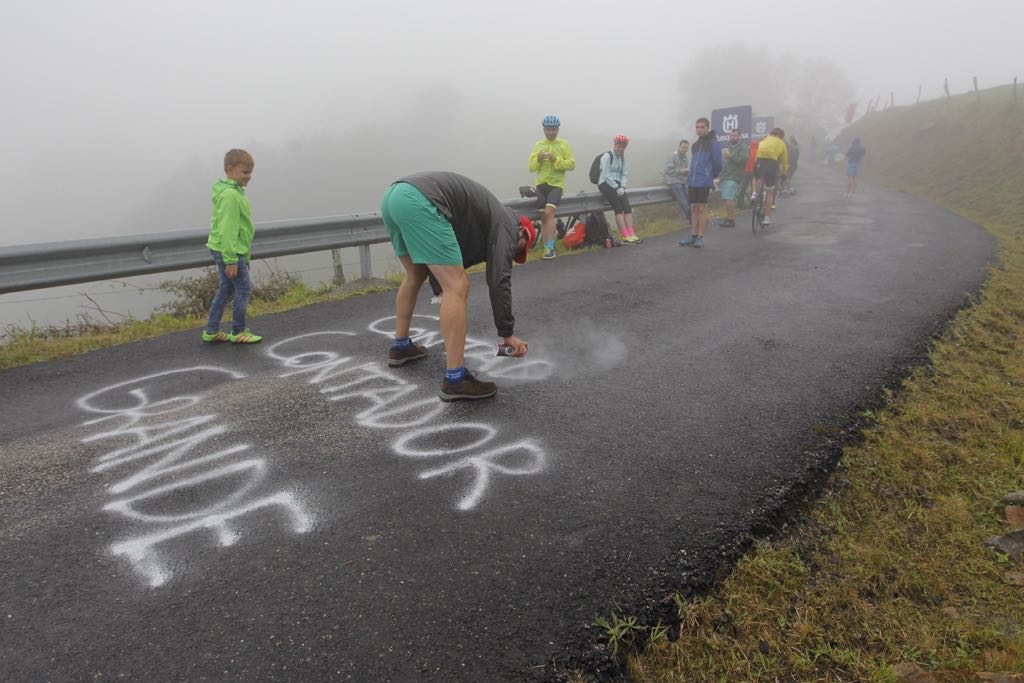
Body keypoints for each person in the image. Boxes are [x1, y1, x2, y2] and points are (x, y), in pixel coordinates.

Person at [380, 171, 537, 402]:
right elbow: (498, 280)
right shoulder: (507, 224)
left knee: (415, 273)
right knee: (457, 285)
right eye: (520, 248)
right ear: (522, 231)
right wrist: (507, 334)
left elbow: (442, 259)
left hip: (395, 196)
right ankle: (455, 380)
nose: (515, 252)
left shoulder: (486, 219)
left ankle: (401, 346)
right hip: (419, 199)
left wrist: (440, 289)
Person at [202, 148, 262, 344]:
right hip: (229, 251)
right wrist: (232, 259)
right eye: (245, 172)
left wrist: (244, 257)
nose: (249, 177)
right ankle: (238, 330)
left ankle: (211, 331)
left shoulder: (232, 192)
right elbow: (228, 229)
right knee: (243, 289)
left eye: (250, 172)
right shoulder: (230, 196)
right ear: (230, 169)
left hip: (227, 250)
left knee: (226, 289)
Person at [528, 115, 576, 260]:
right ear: (544, 129)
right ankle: (546, 248)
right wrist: (538, 159)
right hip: (541, 184)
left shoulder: (564, 145)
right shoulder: (538, 145)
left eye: (554, 129)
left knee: (549, 212)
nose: (551, 132)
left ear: (557, 129)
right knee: (543, 216)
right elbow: (531, 167)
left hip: (556, 184)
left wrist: (557, 160)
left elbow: (572, 164)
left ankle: (550, 247)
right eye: (548, 129)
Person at [679, 117, 722, 248]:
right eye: (697, 127)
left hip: (704, 180)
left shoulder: (713, 142)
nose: (699, 129)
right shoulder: (695, 145)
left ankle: (700, 237)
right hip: (692, 180)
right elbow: (694, 163)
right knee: (693, 208)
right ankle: (693, 236)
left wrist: (711, 176)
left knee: (702, 208)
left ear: (707, 128)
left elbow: (718, 163)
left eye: (702, 127)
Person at [597, 134, 641, 244]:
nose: (621, 148)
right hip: (605, 183)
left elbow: (624, 174)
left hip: (618, 184)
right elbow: (606, 174)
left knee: (627, 207)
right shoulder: (607, 156)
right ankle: (625, 235)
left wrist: (622, 186)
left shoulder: (622, 158)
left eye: (623, 146)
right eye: (619, 145)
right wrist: (616, 187)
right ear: (615, 144)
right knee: (618, 207)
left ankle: (631, 233)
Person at [753, 127, 789, 226]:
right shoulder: (781, 143)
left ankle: (755, 194)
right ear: (781, 136)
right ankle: (767, 218)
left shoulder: (765, 139)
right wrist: (784, 173)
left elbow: (757, 153)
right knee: (769, 192)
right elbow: (784, 161)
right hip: (771, 164)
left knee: (756, 177)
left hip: (759, 162)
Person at [715, 128, 747, 227]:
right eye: (731, 136)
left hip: (734, 176)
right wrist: (720, 177)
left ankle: (731, 220)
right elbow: (726, 165)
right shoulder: (731, 147)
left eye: (734, 136)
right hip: (727, 176)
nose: (732, 137)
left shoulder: (743, 147)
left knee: (729, 197)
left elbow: (743, 160)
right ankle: (728, 218)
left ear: (739, 136)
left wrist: (730, 156)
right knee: (726, 198)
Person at [663, 139, 692, 227]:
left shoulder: (684, 157)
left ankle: (693, 220)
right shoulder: (672, 156)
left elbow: (685, 172)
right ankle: (692, 220)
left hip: (683, 181)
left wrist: (687, 172)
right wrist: (681, 170)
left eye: (686, 148)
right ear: (679, 147)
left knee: (690, 201)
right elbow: (667, 170)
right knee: (684, 202)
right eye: (683, 147)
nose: (684, 149)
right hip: (674, 181)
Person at [737, 134, 761, 210]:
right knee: (753, 189)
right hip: (754, 172)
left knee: (743, 188)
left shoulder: (748, 150)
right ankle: (753, 204)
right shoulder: (758, 151)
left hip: (746, 171)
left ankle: (740, 204)